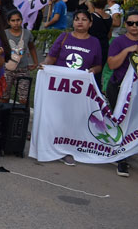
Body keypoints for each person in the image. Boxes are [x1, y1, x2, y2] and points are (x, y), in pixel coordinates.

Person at [43, 9, 103, 167]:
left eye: (84, 19)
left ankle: (67, 150)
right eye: (77, 19)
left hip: (79, 89)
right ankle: (50, 146)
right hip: (59, 86)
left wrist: (92, 71)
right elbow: (52, 57)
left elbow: (98, 65)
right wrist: (45, 66)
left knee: (74, 118)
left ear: (90, 23)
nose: (80, 22)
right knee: (57, 116)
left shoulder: (95, 42)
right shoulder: (64, 37)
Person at [2, 9, 39, 104]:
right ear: (8, 22)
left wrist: (35, 62)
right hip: (7, 69)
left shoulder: (27, 33)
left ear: (22, 20)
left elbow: (32, 47)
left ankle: (21, 117)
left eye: (18, 20)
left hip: (23, 69)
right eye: (13, 21)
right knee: (4, 96)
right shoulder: (4, 34)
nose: (16, 23)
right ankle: (4, 116)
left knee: (24, 98)